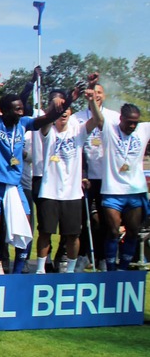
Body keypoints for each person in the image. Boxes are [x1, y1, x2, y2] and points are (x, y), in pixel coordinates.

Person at [0, 55, 80, 274]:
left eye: (21, 109)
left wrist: (69, 102)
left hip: (14, 185)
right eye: (16, 109)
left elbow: (47, 118)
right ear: (5, 110)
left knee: (24, 226)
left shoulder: (23, 124)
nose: (21, 111)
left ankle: (17, 272)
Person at [36, 83, 103, 274]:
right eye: (60, 111)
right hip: (49, 191)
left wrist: (91, 103)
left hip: (72, 193)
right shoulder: (48, 131)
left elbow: (98, 120)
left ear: (71, 114)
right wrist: (55, 107)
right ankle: (41, 269)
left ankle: (71, 270)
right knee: (46, 232)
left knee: (73, 234)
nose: (63, 114)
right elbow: (47, 119)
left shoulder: (78, 131)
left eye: (67, 111)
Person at [72, 80, 121, 271]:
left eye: (100, 92)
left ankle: (102, 256)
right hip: (85, 177)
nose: (97, 95)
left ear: (104, 95)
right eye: (94, 92)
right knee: (85, 219)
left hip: (108, 177)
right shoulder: (77, 117)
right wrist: (82, 173)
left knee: (106, 220)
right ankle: (84, 255)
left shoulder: (114, 117)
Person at [100, 103, 150, 270]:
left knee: (133, 231)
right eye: (129, 122)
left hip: (135, 192)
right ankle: (111, 267)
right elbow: (97, 117)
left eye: (135, 122)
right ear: (121, 119)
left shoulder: (143, 130)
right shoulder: (110, 129)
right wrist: (92, 99)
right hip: (112, 191)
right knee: (114, 231)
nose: (132, 126)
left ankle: (124, 267)